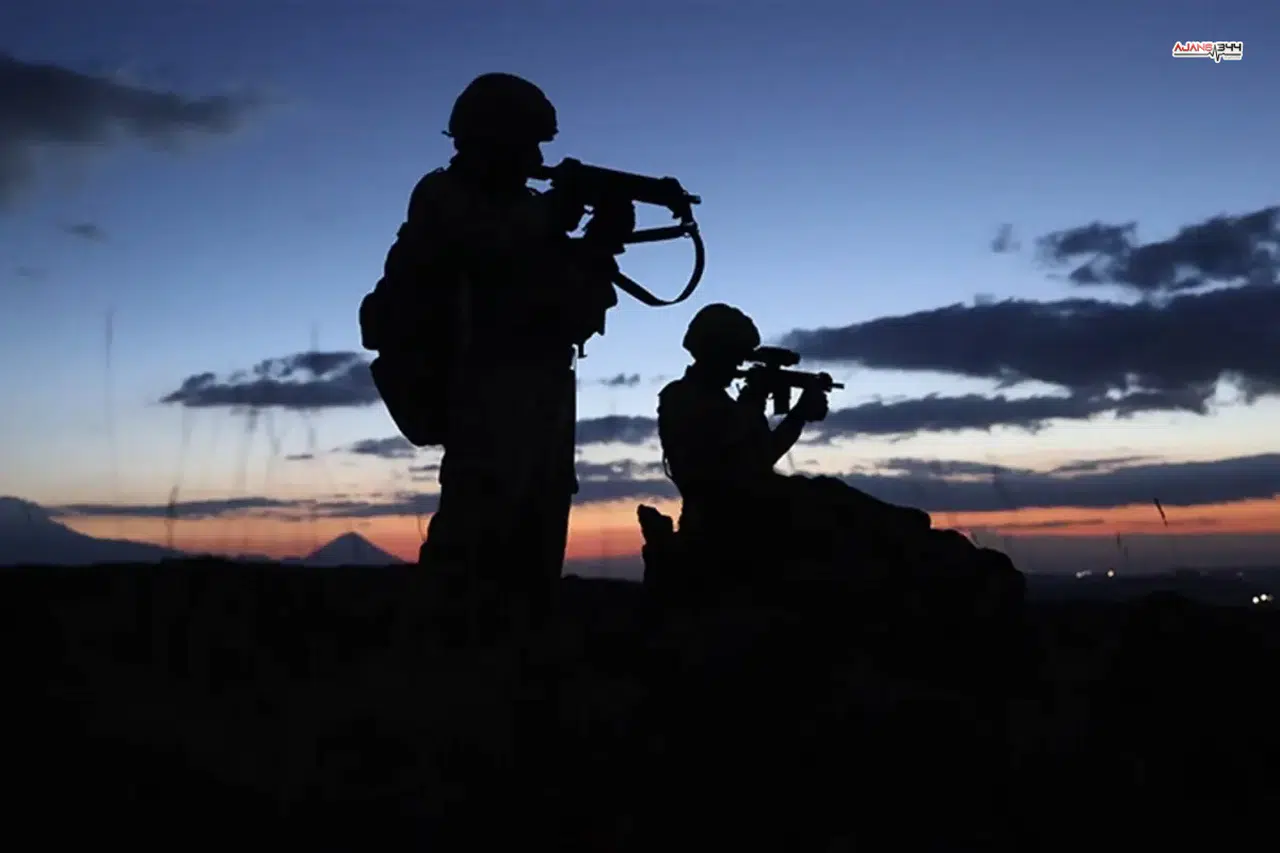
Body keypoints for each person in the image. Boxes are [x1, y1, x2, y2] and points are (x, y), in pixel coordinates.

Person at [360, 73, 635, 628]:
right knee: (470, 555)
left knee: (532, 562)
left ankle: (515, 678)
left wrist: (601, 243)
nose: (536, 157)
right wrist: (563, 210)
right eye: (527, 142)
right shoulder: (444, 198)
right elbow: (489, 246)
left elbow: (568, 308)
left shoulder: (524, 215)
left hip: (542, 401)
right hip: (484, 397)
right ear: (490, 139)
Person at [656, 303, 930, 565]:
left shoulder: (722, 401)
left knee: (829, 491)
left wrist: (797, 416)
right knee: (828, 498)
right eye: (735, 354)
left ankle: (904, 528)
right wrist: (755, 401)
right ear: (714, 350)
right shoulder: (680, 396)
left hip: (748, 506)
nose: (739, 362)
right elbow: (728, 459)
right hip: (723, 515)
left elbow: (761, 456)